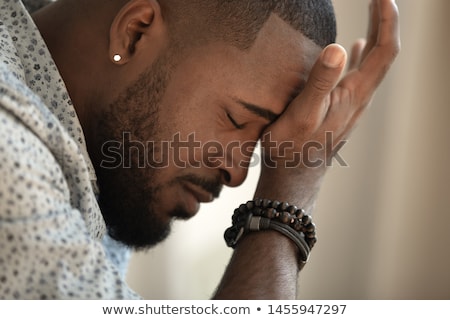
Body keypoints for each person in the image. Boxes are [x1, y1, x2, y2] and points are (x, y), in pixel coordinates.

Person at [0, 0, 400, 299]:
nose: (239, 173)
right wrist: (289, 194)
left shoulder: (90, 148)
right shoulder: (10, 155)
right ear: (135, 33)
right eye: (236, 120)